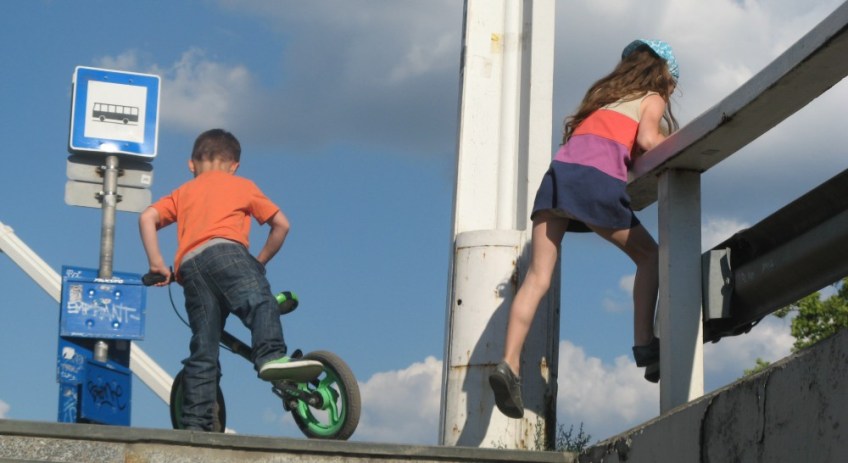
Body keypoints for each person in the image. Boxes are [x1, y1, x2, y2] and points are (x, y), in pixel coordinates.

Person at [488, 40, 680, 419]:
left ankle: (508, 364)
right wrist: (676, 142)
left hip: (558, 178)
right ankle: (644, 343)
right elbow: (647, 140)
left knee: (537, 277)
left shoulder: (603, 102)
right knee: (651, 256)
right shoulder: (651, 97)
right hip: (593, 182)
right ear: (663, 76)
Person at [138, 128, 323, 431]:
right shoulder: (242, 185)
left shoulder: (183, 192)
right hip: (228, 253)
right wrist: (258, 263)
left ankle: (195, 425)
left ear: (191, 164)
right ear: (234, 165)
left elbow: (147, 217)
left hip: (190, 270)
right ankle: (270, 355)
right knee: (260, 301)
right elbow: (282, 225)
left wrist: (157, 263)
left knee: (204, 349)